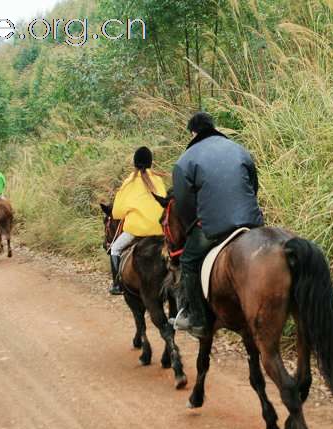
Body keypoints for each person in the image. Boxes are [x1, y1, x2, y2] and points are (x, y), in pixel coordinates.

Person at [170, 112, 264, 338]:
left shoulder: (185, 161)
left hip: (214, 226)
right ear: (213, 127)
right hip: (251, 220)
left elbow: (183, 205)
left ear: (193, 133)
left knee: (189, 261)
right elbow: (253, 184)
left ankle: (198, 320)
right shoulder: (239, 149)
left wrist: (195, 223)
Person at [108, 146, 167, 294]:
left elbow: (116, 212)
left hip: (137, 230)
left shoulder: (129, 182)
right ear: (150, 163)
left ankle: (117, 285)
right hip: (160, 230)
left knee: (115, 248)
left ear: (134, 163)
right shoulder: (159, 180)